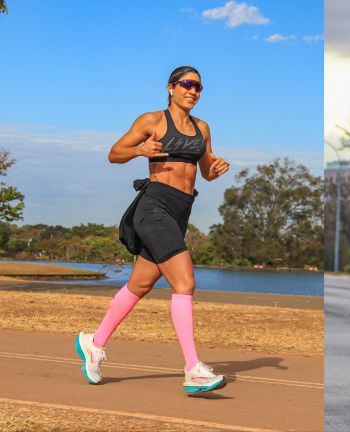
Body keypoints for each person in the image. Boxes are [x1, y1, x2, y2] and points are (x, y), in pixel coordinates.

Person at [75, 66, 230, 393]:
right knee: (185, 281)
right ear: (171, 87)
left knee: (140, 283)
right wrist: (139, 151)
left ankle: (94, 341)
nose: (193, 91)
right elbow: (114, 154)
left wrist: (216, 169)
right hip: (154, 206)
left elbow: (205, 171)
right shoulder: (152, 121)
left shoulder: (202, 128)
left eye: (198, 87)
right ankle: (193, 369)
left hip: (180, 212)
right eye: (187, 84)